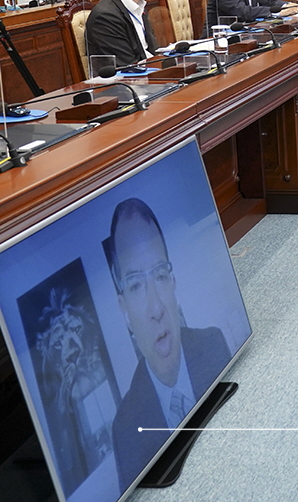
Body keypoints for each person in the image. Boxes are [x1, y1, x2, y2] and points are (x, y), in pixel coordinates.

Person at [106, 198, 231, 491]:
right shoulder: (125, 429)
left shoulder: (213, 343)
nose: (156, 308)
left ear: (173, 283)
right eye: (136, 285)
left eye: (160, 276)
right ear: (125, 311)